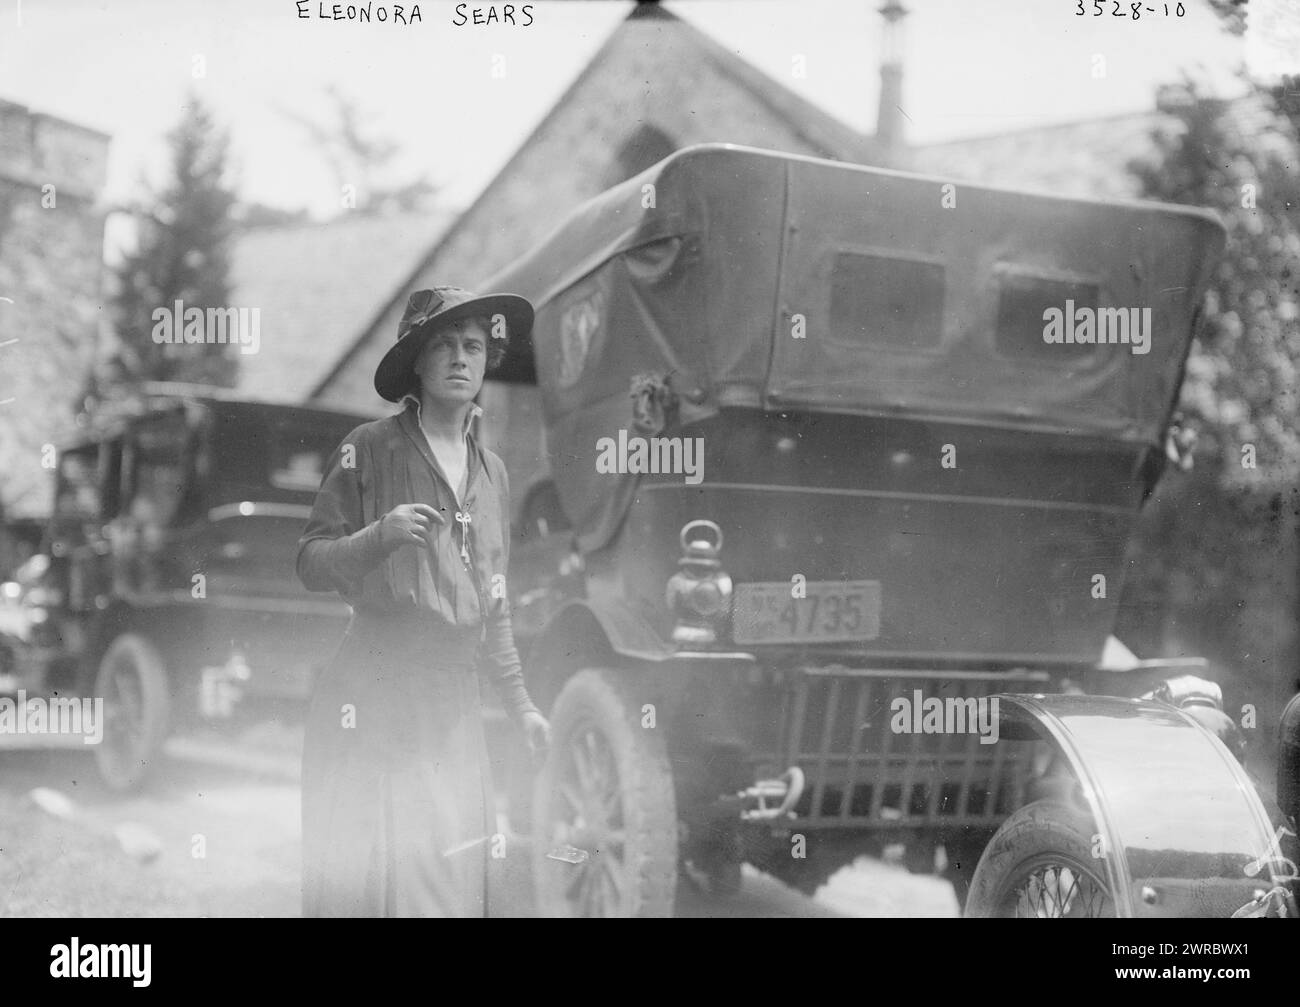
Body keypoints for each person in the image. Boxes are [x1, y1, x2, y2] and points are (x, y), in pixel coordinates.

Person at [296, 285, 550, 917]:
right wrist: (376, 537)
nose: (461, 359)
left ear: (488, 361)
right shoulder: (370, 447)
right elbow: (309, 560)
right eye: (443, 346)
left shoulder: (493, 473)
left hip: (452, 706)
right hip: (375, 691)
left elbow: (494, 603)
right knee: (372, 886)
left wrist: (522, 708)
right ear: (417, 361)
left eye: (473, 346)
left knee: (448, 885)